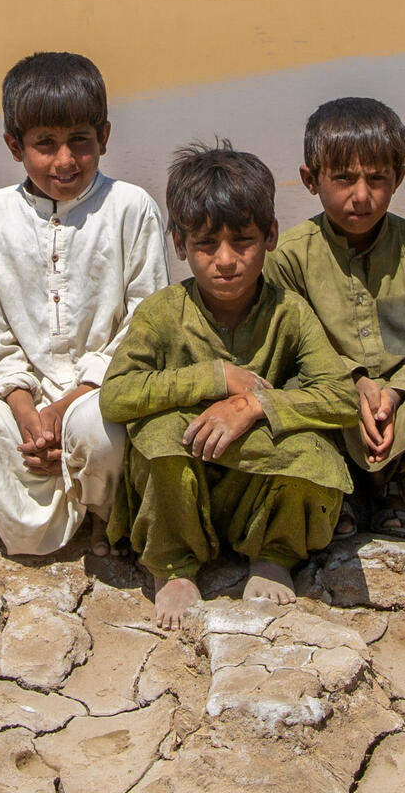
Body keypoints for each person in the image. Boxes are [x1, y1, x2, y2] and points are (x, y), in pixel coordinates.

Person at [0, 51, 168, 556]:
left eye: (80, 142)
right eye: (45, 144)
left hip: (100, 395)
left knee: (101, 436)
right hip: (16, 403)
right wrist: (26, 410)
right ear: (14, 146)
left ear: (103, 137)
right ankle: (52, 486)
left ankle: (103, 509)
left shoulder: (133, 208)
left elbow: (143, 323)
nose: (65, 161)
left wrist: (67, 406)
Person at [101, 141, 356, 628]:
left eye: (242, 241)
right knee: (157, 437)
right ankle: (173, 566)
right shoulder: (160, 314)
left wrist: (255, 406)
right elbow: (116, 394)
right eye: (205, 245)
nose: (225, 260)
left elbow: (342, 398)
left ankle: (275, 554)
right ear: (179, 245)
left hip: (255, 479)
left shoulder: (290, 312)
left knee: (312, 451)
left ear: (271, 236)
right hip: (185, 476)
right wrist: (213, 377)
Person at [264, 97, 405, 540]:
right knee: (288, 419)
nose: (361, 196)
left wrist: (394, 394)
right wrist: (355, 383)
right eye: (343, 179)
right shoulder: (289, 257)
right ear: (309, 180)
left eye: (377, 178)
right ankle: (342, 492)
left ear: (398, 178)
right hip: (329, 397)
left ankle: (403, 496)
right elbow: (298, 352)